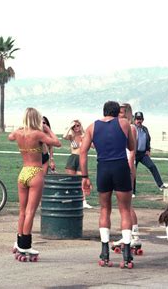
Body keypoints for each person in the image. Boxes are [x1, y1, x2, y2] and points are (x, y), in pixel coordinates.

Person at [80, 101, 136, 267]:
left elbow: (82, 152)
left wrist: (85, 176)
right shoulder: (124, 123)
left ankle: (105, 252)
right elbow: (131, 146)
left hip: (103, 167)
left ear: (103, 111)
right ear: (117, 111)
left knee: (105, 209)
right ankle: (126, 253)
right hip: (120, 166)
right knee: (125, 209)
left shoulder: (92, 127)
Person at [8, 108, 61, 259]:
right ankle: (26, 245)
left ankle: (19, 242)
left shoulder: (19, 133)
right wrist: (47, 129)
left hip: (23, 172)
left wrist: (20, 128)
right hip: (35, 172)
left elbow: (10, 137)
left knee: (22, 211)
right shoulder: (37, 134)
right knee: (31, 211)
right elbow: (57, 143)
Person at [113, 103, 141, 249]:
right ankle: (128, 234)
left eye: (122, 113)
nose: (119, 116)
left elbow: (131, 151)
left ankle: (133, 235)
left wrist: (130, 169)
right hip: (120, 165)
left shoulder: (130, 128)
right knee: (124, 205)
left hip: (126, 166)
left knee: (126, 205)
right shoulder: (120, 127)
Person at [133, 112, 168, 192]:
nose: (139, 121)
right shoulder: (132, 129)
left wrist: (148, 150)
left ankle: (161, 185)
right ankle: (132, 191)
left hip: (143, 154)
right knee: (133, 172)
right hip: (134, 154)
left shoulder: (145, 129)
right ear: (134, 120)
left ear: (142, 120)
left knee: (152, 166)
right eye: (137, 119)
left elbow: (148, 139)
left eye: (140, 119)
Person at [63, 119, 92, 209]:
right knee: (71, 180)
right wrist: (70, 126)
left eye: (77, 125)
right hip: (73, 158)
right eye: (74, 126)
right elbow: (64, 136)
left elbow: (93, 145)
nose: (76, 128)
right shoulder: (71, 136)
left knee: (81, 180)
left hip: (81, 159)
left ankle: (83, 201)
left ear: (81, 126)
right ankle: (70, 201)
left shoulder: (84, 136)